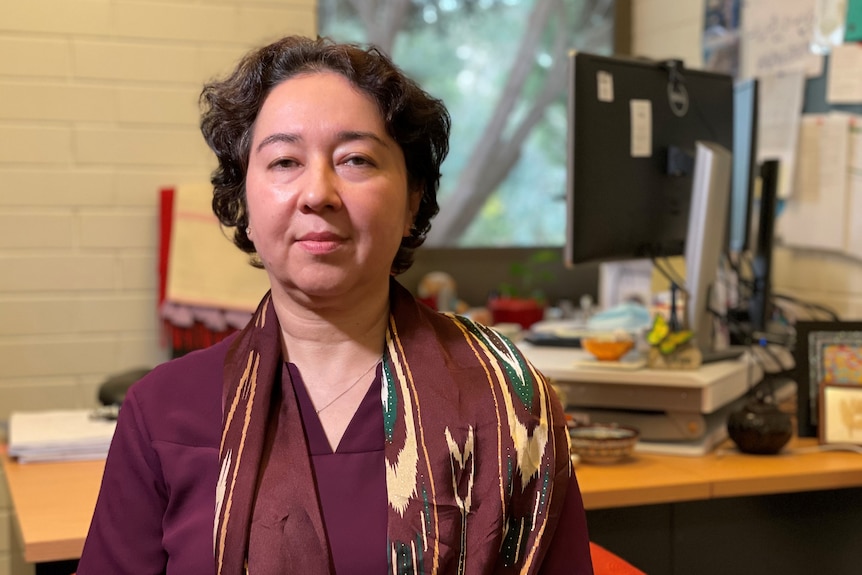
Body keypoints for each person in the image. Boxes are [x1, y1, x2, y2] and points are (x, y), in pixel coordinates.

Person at [77, 35, 593, 574]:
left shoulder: (507, 402)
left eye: (356, 159)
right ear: (244, 199)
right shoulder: (163, 412)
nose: (317, 192)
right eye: (283, 161)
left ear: (414, 196)